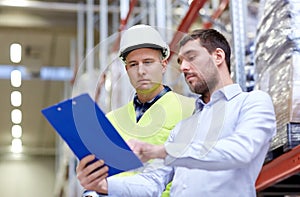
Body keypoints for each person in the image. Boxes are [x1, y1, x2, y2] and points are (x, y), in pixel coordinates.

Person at [77, 28, 277, 197]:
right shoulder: (184, 127)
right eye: (180, 61)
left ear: (218, 56)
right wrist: (103, 185)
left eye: (191, 58)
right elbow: (152, 182)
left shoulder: (252, 102)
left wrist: (161, 151)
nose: (183, 67)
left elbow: (241, 151)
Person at [80, 24, 195, 197]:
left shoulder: (191, 110)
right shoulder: (111, 120)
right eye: (133, 64)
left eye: (148, 62)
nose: (141, 71)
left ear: (163, 65)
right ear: (126, 69)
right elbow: (100, 177)